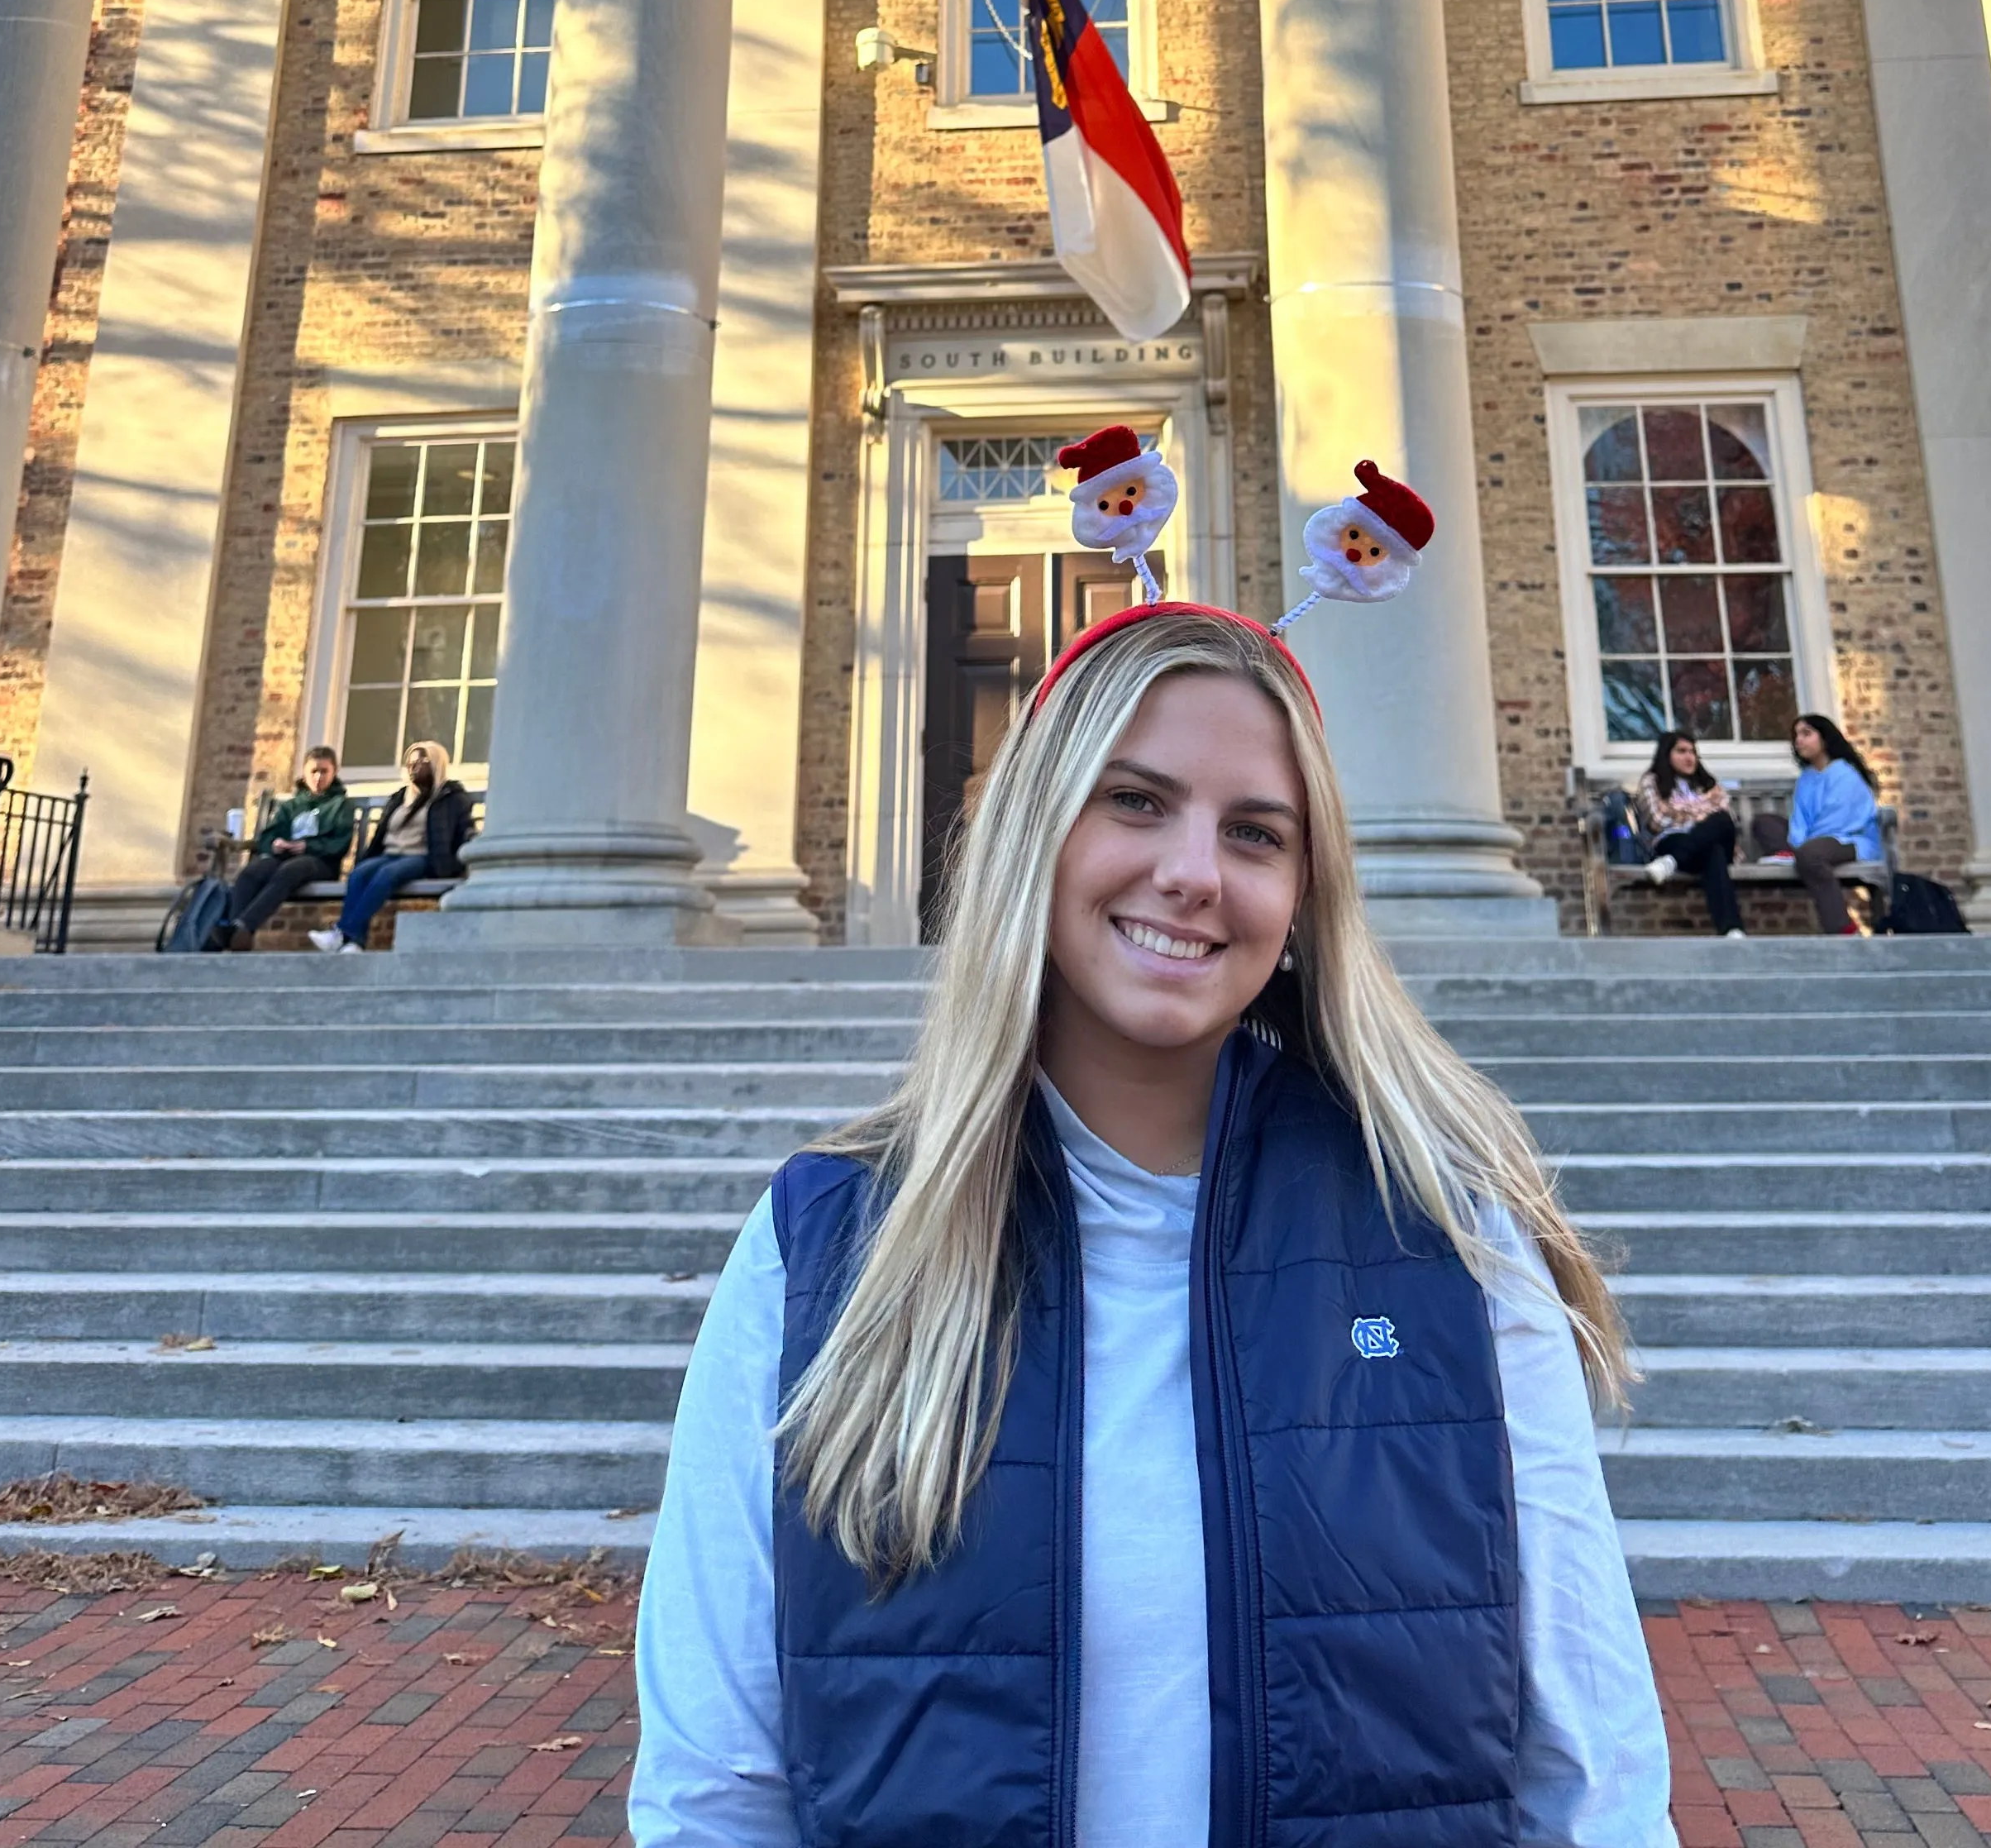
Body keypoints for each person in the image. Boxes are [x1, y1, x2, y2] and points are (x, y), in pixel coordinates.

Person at [630, 599, 1676, 1848]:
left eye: (1255, 831)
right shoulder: (825, 1245)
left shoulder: (1449, 1234)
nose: (1194, 870)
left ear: (1302, 893)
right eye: (1134, 800)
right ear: (1038, 836)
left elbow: (1594, 1776)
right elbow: (716, 1788)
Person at [308, 740, 472, 953]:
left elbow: (465, 829)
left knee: (386, 875)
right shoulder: (400, 797)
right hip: (391, 854)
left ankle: (343, 935)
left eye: (422, 762)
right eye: (410, 762)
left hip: (423, 857)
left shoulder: (451, 798)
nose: (414, 766)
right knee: (359, 873)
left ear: (436, 764)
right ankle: (354, 941)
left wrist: (462, 861)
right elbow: (383, 834)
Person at [211, 746, 356, 948]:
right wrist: (275, 844)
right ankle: (236, 931)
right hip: (284, 858)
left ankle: (244, 926)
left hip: (320, 863)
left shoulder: (341, 805)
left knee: (290, 870)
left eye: (324, 771)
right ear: (304, 773)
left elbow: (340, 843)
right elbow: (268, 836)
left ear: (334, 772)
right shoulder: (291, 805)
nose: (318, 777)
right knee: (252, 872)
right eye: (313, 771)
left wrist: (307, 846)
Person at [1773, 712, 1884, 934]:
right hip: (1814, 843)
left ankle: (1843, 927)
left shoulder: (1844, 773)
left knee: (1810, 856)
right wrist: (1797, 842)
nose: (1799, 741)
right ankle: (1795, 854)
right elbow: (1800, 818)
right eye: (1796, 736)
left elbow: (1841, 819)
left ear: (1824, 738)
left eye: (1806, 734)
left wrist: (1804, 847)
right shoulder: (1806, 778)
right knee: (1766, 823)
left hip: (1849, 840)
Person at [1631, 730, 1744, 934]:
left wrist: (1683, 814)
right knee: (1713, 852)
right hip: (1675, 839)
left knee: (1721, 822)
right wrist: (1702, 814)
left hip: (1694, 845)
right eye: (1681, 751)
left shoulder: (1709, 783)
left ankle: (1671, 862)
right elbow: (1657, 821)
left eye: (1693, 752)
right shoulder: (1652, 781)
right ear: (1667, 755)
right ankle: (1732, 930)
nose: (1689, 757)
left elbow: (1727, 817)